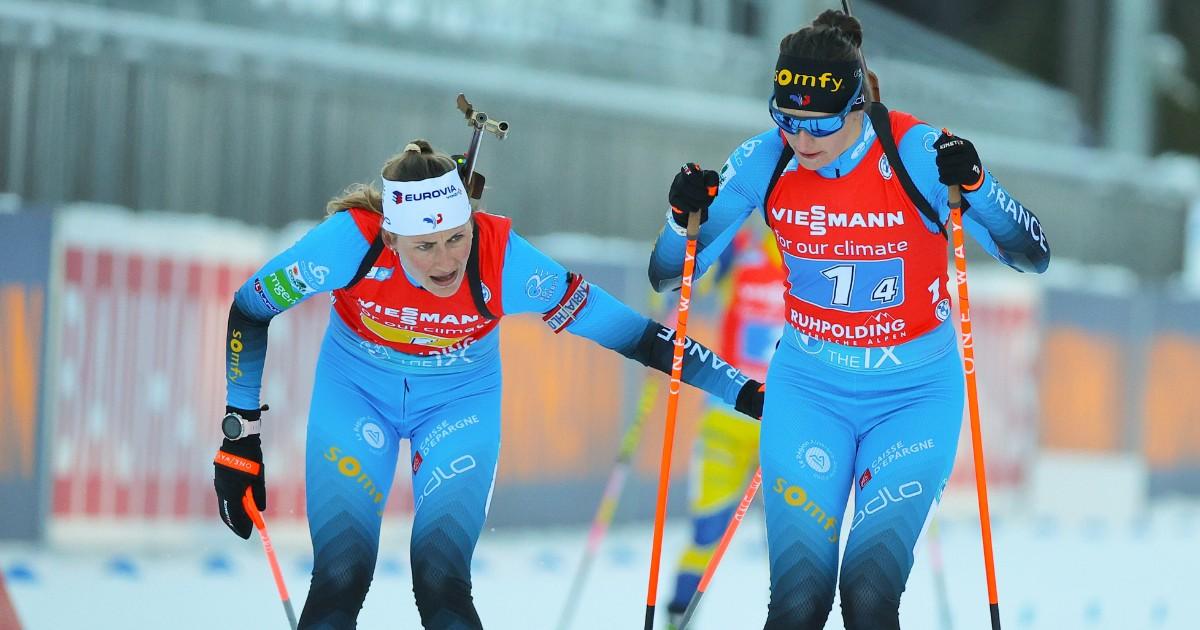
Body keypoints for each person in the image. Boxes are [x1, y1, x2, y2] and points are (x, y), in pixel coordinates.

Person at [212, 140, 766, 629]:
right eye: (424, 247)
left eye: (457, 239)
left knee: (440, 578)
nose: (446, 261)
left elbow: (640, 337)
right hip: (356, 395)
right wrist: (239, 438)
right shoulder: (349, 243)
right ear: (390, 236)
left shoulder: (505, 261)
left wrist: (746, 392)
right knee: (339, 576)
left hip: (457, 406)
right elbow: (249, 309)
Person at [647, 10, 1050, 630]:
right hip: (809, 391)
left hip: (913, 396)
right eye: (788, 120)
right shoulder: (766, 159)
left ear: (858, 104)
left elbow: (1032, 253)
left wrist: (977, 183)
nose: (803, 141)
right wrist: (683, 217)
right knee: (800, 601)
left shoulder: (913, 151)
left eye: (822, 124)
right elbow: (670, 272)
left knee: (868, 593)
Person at [665, 227, 784, 627]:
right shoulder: (739, 247)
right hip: (728, 415)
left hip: (787, 424)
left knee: (797, 545)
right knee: (706, 534)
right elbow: (673, 278)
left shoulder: (823, 255)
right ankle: (676, 620)